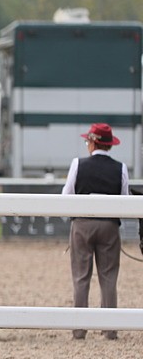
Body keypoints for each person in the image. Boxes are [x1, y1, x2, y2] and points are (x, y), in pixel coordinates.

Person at [61, 123, 130, 340]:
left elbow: (67, 195)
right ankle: (109, 329)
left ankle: (80, 328)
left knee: (81, 277)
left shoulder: (77, 164)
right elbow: (125, 199)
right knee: (108, 277)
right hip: (109, 226)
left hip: (82, 224)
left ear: (92, 142)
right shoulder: (121, 168)